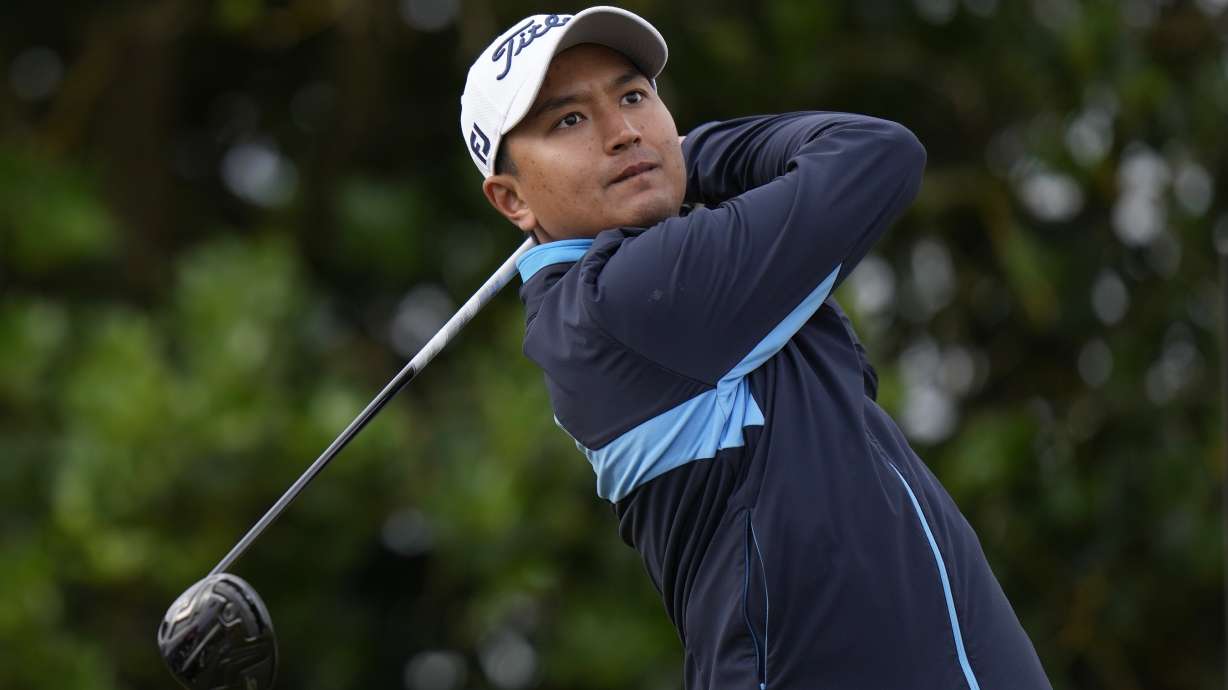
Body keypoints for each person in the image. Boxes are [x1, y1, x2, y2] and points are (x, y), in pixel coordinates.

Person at [460, 6, 1051, 689]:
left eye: (632, 97)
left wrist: (671, 159)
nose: (623, 132)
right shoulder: (626, 298)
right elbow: (875, 155)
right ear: (511, 200)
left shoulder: (663, 289)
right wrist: (696, 153)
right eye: (569, 120)